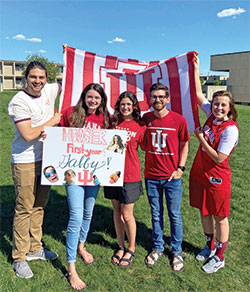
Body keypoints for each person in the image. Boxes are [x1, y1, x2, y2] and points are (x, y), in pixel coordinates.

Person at [8, 61, 62, 278]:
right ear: (25, 78)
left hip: (48, 158)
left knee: (40, 205)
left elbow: (72, 80)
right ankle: (19, 257)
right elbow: (28, 135)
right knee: (24, 208)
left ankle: (35, 248)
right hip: (25, 160)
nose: (37, 81)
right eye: (33, 77)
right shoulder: (18, 101)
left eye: (41, 77)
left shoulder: (49, 89)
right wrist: (53, 121)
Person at [189, 56, 239, 273]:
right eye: (216, 104)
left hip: (217, 175)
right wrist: (196, 68)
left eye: (223, 105)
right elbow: (199, 94)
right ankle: (209, 245)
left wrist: (201, 139)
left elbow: (219, 157)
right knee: (204, 210)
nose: (218, 108)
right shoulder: (210, 114)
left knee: (220, 217)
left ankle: (219, 256)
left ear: (229, 108)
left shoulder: (230, 129)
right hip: (200, 171)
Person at [58, 83, 110, 290]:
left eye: (97, 98)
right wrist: (48, 136)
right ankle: (71, 268)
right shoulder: (70, 113)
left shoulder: (105, 118)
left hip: (94, 174)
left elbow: (111, 144)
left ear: (101, 100)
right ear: (84, 96)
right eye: (90, 97)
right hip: (73, 174)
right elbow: (58, 136)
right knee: (76, 216)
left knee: (88, 213)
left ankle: (81, 245)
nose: (93, 101)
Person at [142, 83, 189, 272]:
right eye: (154, 96)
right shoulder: (145, 119)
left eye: (161, 96)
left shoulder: (179, 120)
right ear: (150, 99)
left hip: (172, 177)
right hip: (151, 176)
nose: (158, 100)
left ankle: (177, 250)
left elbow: (185, 143)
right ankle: (158, 247)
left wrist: (180, 168)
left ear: (168, 99)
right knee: (155, 213)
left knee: (174, 215)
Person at [104, 91, 146, 268]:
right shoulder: (112, 122)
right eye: (122, 104)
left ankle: (131, 248)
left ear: (134, 106)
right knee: (116, 211)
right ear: (118, 106)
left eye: (129, 104)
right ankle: (120, 245)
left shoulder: (140, 125)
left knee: (127, 214)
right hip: (112, 173)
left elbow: (146, 147)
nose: (126, 107)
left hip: (130, 174)